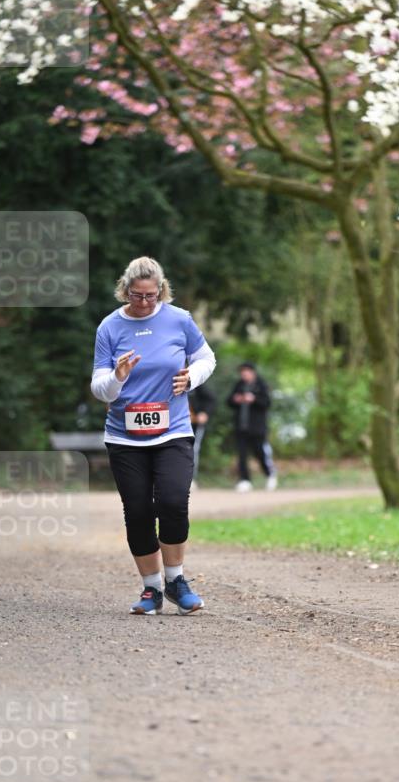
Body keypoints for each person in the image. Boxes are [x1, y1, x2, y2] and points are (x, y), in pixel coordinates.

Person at [91, 256, 216, 615]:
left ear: (161, 290)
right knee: (138, 510)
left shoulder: (179, 319)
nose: (144, 303)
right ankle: (151, 589)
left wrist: (191, 376)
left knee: (174, 501)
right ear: (125, 290)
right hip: (125, 437)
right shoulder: (109, 327)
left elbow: (207, 358)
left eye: (151, 295)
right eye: (137, 295)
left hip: (173, 430)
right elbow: (100, 388)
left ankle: (176, 580)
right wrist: (117, 376)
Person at [227, 361, 277, 492]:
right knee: (242, 455)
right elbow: (229, 401)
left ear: (252, 372)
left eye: (246, 372)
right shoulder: (239, 385)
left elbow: (267, 403)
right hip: (241, 427)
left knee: (260, 452)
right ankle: (245, 480)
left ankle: (270, 474)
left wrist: (254, 399)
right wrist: (235, 399)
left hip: (257, 428)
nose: (244, 374)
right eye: (242, 372)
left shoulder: (261, 385)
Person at [189, 381, 216, 486]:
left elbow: (211, 399)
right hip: (174, 423)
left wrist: (204, 413)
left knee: (193, 449)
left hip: (194, 424)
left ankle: (191, 479)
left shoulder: (195, 382)